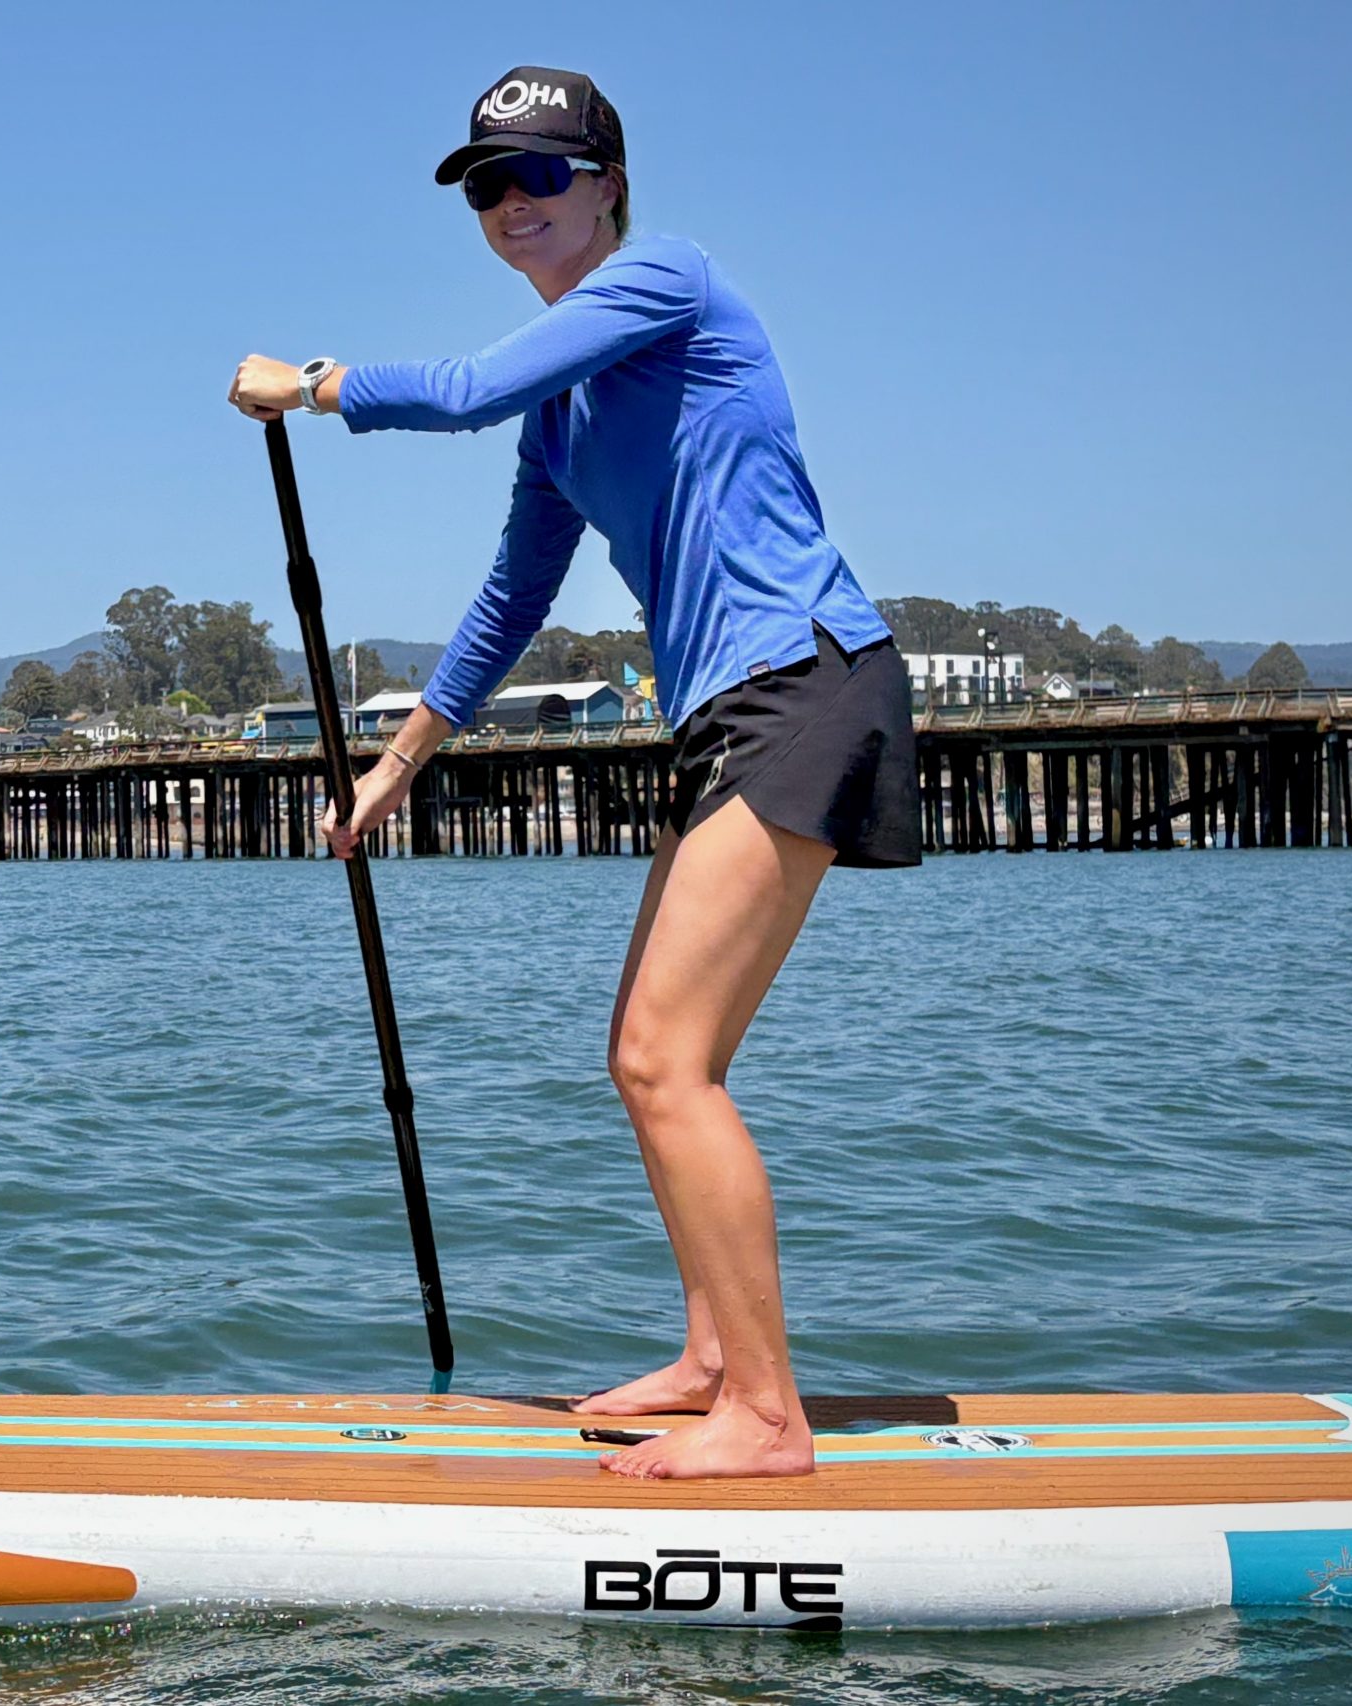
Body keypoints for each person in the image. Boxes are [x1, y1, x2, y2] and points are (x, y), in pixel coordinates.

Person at [227, 66, 918, 1479]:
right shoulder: (564, 422)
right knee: (660, 1057)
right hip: (727, 712)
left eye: (540, 176)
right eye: (487, 185)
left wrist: (312, 384)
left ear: (607, 183)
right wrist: (398, 765)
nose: (511, 205)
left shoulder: (669, 279)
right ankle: (716, 1356)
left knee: (665, 1057)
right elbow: (508, 600)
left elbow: (472, 386)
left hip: (808, 678)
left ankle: (768, 1419)